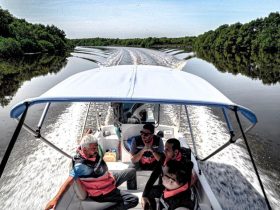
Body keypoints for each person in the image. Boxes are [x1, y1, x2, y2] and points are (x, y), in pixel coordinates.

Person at [45, 132, 138, 210]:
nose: (96, 150)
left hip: (109, 179)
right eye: (94, 148)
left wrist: (87, 135)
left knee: (131, 171)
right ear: (84, 150)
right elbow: (68, 182)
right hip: (103, 192)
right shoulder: (80, 166)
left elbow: (81, 146)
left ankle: (132, 190)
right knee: (133, 200)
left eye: (96, 147)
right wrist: (55, 199)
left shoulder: (86, 151)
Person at [141, 138, 193, 209]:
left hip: (178, 191)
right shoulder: (164, 158)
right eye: (164, 149)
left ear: (176, 152)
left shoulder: (185, 163)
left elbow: (187, 183)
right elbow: (154, 175)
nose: (164, 151)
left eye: (167, 149)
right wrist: (144, 195)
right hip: (166, 183)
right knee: (149, 193)